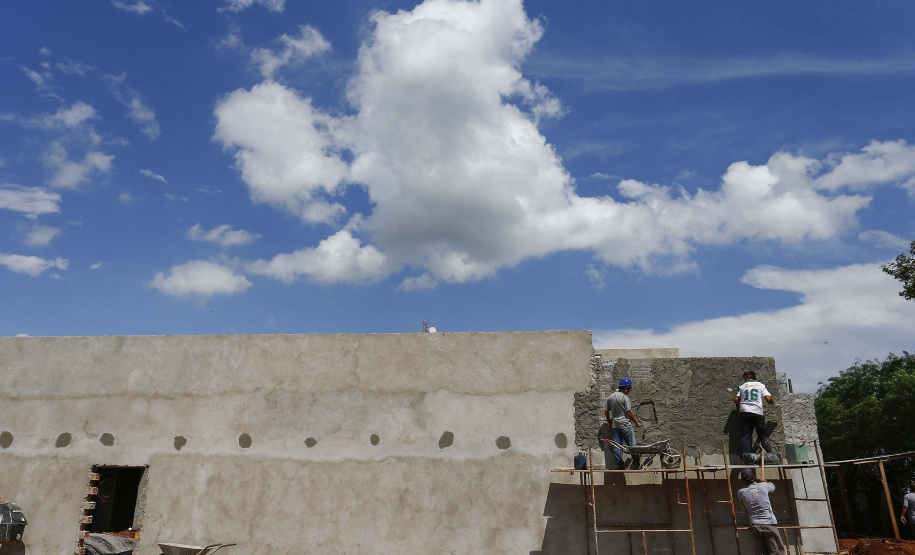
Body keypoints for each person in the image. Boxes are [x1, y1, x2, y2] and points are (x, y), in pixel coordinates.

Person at [738, 467, 787, 555]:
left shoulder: (741, 492)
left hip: (755, 525)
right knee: (776, 552)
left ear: (742, 480)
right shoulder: (763, 486)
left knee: (761, 553)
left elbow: (745, 510)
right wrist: (765, 481)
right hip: (769, 524)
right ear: (754, 477)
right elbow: (773, 487)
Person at [733, 371, 775, 456]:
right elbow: (768, 398)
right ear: (753, 377)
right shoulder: (761, 385)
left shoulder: (741, 386)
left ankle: (747, 458)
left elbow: (735, 399)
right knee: (762, 435)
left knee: (746, 436)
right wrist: (772, 402)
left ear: (747, 377)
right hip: (757, 413)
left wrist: (741, 404)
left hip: (744, 412)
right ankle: (770, 455)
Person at [604, 377, 641, 469]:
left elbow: (606, 411)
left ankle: (619, 465)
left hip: (615, 425)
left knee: (617, 446)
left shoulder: (610, 397)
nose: (629, 391)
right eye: (629, 389)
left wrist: (609, 422)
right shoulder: (625, 398)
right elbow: (629, 412)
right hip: (625, 425)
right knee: (632, 445)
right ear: (625, 388)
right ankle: (636, 464)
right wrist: (637, 422)